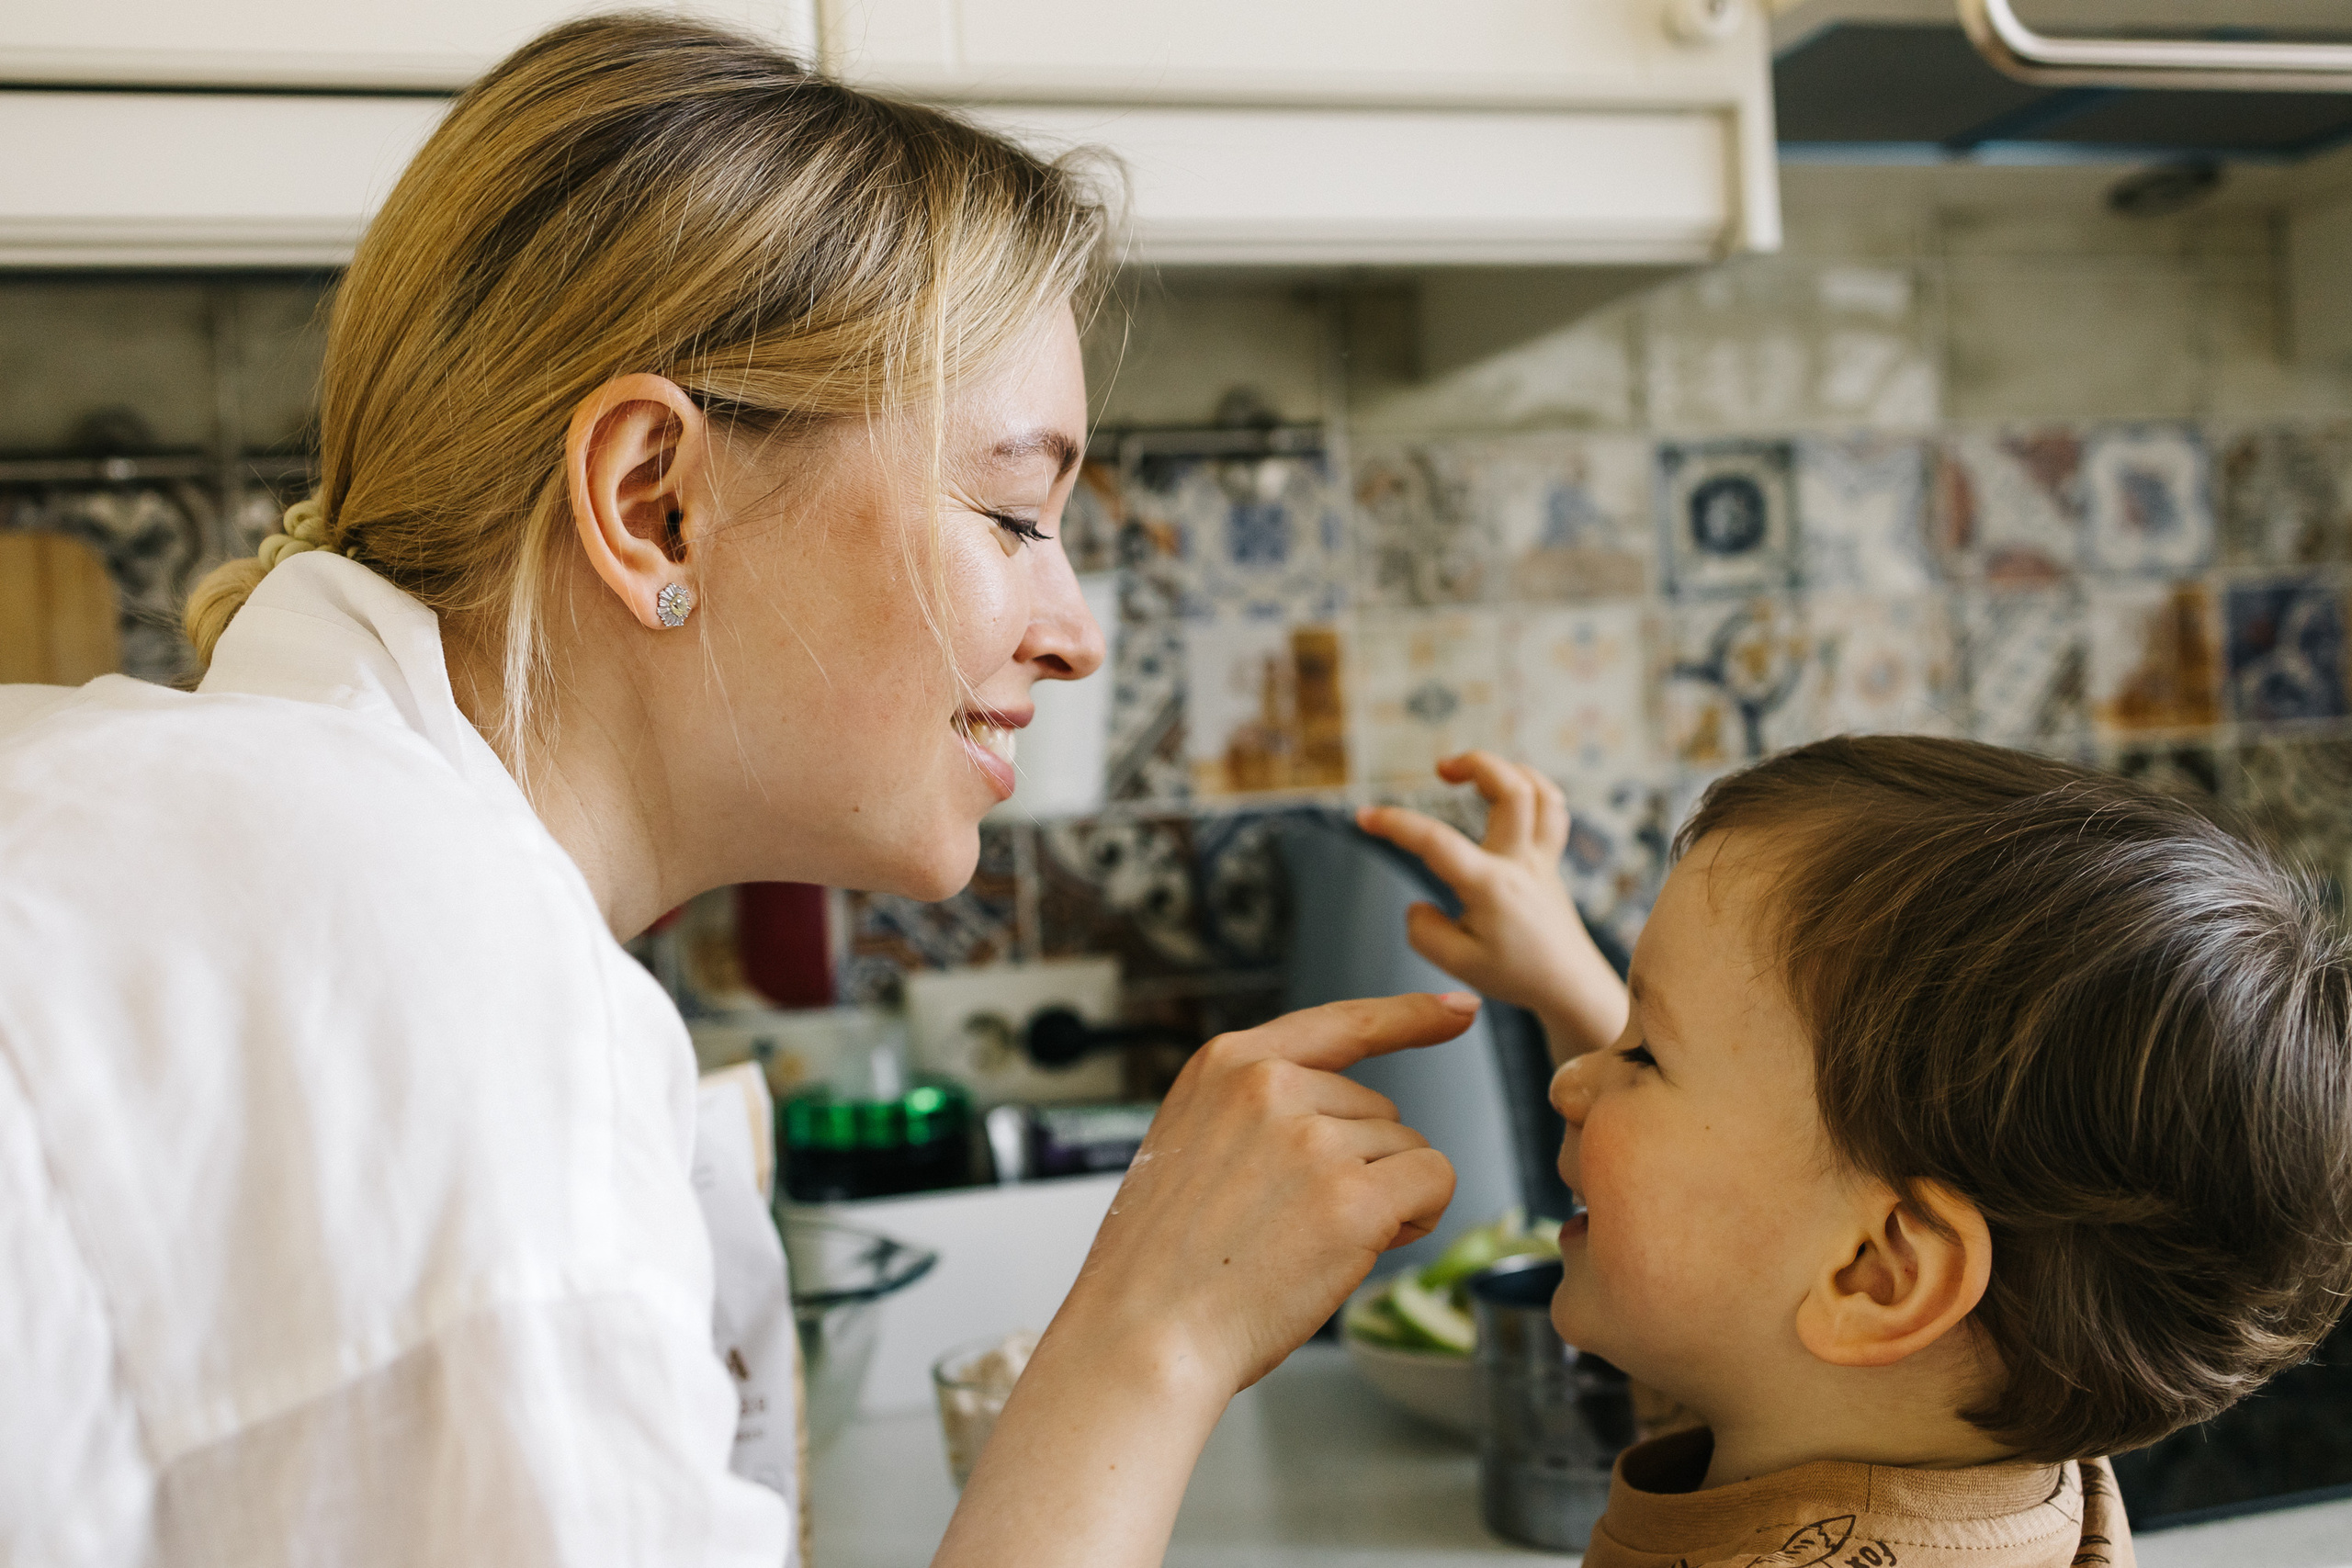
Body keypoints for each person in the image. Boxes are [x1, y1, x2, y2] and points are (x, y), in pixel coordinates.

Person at [0, 16, 1470, 1567]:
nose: (1079, 634)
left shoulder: (256, 844)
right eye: (1014, 514)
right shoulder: (423, 966)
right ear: (657, 505)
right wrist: (1147, 1342)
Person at [1362, 739, 2352, 1568]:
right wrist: (1568, 983)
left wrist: (1197, 1339)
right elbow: (1733, 1235)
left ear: (1880, 1272)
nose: (1571, 1087)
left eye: (1647, 1054)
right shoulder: (1965, 1431)